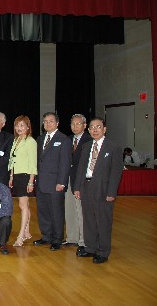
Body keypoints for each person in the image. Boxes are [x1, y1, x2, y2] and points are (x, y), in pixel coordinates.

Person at [74, 117, 124, 264]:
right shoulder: (86, 146)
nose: (95, 130)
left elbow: (116, 172)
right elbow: (81, 169)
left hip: (103, 189)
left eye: (98, 127)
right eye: (92, 127)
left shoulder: (113, 147)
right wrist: (77, 187)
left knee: (103, 220)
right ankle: (90, 247)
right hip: (86, 186)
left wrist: (111, 192)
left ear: (104, 129)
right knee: (88, 219)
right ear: (88, 130)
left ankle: (103, 251)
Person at [33, 112, 71, 251]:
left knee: (56, 212)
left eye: (50, 121)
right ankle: (46, 236)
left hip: (56, 183)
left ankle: (57, 238)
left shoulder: (64, 139)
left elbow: (65, 163)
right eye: (45, 121)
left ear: (57, 123)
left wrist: (62, 182)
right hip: (41, 182)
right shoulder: (40, 139)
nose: (47, 124)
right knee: (43, 211)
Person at [8, 115, 37, 247]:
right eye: (17, 125)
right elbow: (13, 160)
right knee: (25, 205)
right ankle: (27, 231)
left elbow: (32, 163)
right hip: (17, 175)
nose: (19, 128)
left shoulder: (30, 141)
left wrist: (31, 181)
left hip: (26, 176)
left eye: (22, 125)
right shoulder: (16, 140)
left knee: (22, 205)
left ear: (27, 127)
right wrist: (11, 176)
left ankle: (20, 237)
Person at [64, 114, 92, 250]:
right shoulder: (68, 140)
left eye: (78, 124)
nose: (75, 127)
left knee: (81, 210)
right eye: (73, 124)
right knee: (69, 209)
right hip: (68, 179)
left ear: (85, 125)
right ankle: (72, 237)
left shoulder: (89, 140)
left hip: (81, 180)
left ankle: (83, 240)